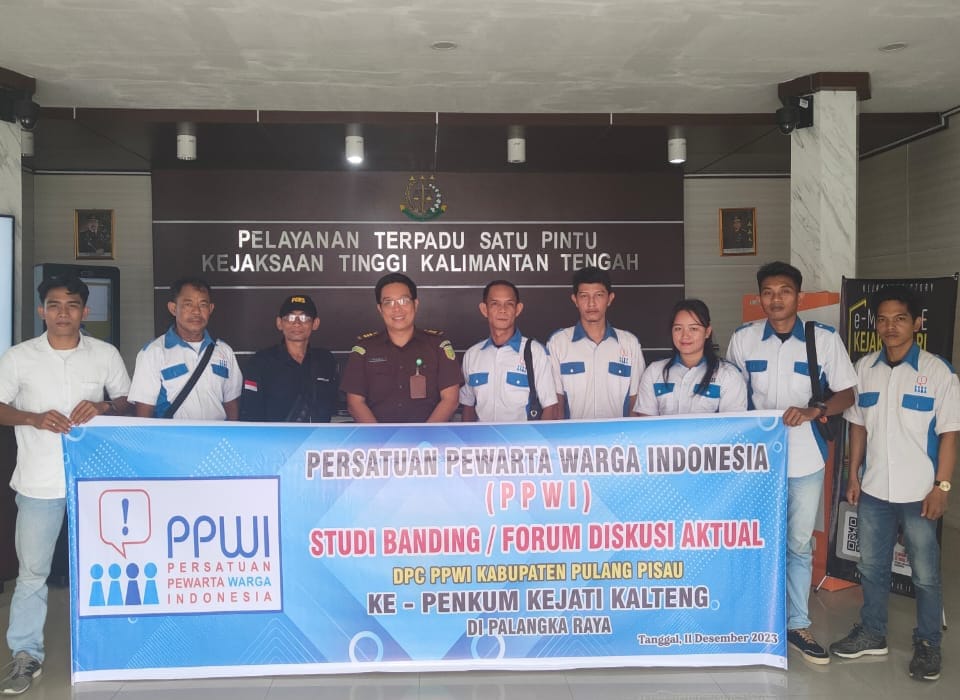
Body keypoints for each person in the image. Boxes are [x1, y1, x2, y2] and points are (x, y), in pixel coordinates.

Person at [0, 275, 130, 695]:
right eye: (54, 305)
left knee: (106, 568)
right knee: (32, 574)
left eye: (72, 305)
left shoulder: (104, 354)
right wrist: (33, 417)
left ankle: (110, 650)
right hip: (39, 484)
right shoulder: (19, 357)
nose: (62, 313)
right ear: (42, 311)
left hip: (95, 484)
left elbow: (127, 400)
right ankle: (26, 654)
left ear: (85, 311)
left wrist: (104, 405)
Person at [725, 260, 857, 664]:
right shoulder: (743, 339)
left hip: (805, 458)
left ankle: (797, 624)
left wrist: (817, 410)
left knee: (798, 544)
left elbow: (847, 394)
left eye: (784, 291)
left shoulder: (823, 339)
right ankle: (752, 619)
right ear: (759, 298)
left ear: (798, 296)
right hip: (756, 461)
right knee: (754, 540)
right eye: (768, 292)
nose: (776, 299)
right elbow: (730, 396)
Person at [829, 285, 959, 681]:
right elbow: (858, 427)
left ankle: (928, 643)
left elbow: (949, 435)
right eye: (883, 320)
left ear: (917, 323)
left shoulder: (938, 372)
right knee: (871, 567)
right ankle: (873, 632)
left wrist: (942, 487)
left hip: (920, 492)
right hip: (874, 490)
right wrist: (853, 474)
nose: (890, 327)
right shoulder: (864, 368)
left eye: (900, 319)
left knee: (925, 574)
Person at [341, 273, 460, 423]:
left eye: (403, 301)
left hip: (429, 437)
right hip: (377, 437)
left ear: (415, 304)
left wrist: (424, 435)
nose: (397, 309)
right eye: (388, 302)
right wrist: (381, 436)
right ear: (380, 309)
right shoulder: (363, 349)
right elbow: (355, 403)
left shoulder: (438, 346)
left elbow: (450, 400)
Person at [129, 277, 242, 420]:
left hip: (216, 434)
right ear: (173, 308)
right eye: (188, 304)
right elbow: (144, 413)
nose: (196, 311)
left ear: (211, 309)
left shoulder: (224, 351)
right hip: (172, 434)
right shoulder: (153, 352)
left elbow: (231, 404)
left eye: (203, 305)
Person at [546, 266, 645, 419]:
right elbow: (556, 402)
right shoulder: (558, 343)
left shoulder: (630, 343)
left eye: (599, 295)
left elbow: (636, 401)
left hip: (618, 434)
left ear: (610, 299)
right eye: (584, 296)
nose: (591, 303)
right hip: (573, 434)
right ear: (575, 300)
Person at [460, 280, 559, 422]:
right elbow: (468, 405)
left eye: (509, 304)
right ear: (484, 309)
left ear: (518, 309)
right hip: (483, 436)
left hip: (523, 436)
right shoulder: (472, 355)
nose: (502, 310)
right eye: (495, 304)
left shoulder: (535, 352)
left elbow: (551, 407)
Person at [633, 298, 746, 416]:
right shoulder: (654, 372)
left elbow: (732, 425)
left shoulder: (728, 375)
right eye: (678, 328)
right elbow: (646, 424)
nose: (685, 336)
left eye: (693, 328)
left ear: (707, 332)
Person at [240, 294, 339, 422]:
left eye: (304, 317)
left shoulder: (325, 361)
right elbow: (250, 413)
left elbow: (333, 407)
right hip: (274, 435)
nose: (297, 323)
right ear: (279, 323)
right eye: (290, 317)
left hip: (317, 435)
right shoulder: (260, 362)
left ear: (315, 323)